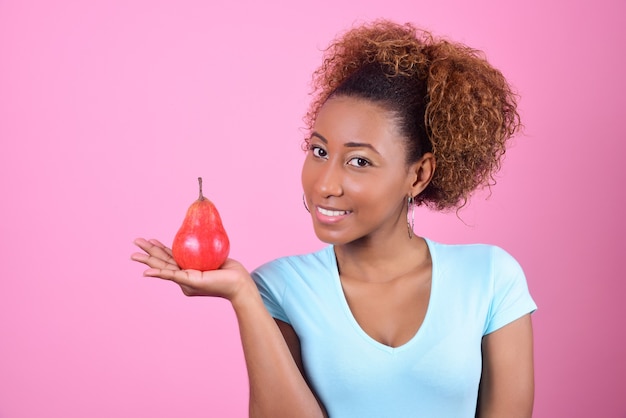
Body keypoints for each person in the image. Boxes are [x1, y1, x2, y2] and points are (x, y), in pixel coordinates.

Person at [131, 19, 536, 418]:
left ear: (418, 174)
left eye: (359, 161)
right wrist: (242, 295)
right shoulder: (278, 288)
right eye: (319, 151)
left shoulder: (490, 278)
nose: (325, 184)